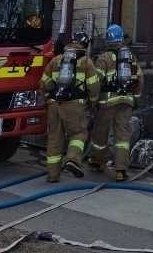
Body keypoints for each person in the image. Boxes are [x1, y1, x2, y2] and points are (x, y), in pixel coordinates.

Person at [39, 32, 99, 182]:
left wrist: (48, 96)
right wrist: (93, 102)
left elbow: (44, 82)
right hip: (74, 105)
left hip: (54, 104)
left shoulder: (56, 60)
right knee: (79, 133)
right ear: (85, 45)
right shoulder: (86, 62)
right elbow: (93, 86)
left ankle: (52, 175)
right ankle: (72, 160)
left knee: (54, 138)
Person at [86, 24, 142, 181]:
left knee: (100, 133)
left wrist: (93, 100)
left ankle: (98, 162)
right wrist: (136, 99)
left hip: (107, 102)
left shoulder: (104, 58)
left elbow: (96, 81)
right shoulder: (130, 57)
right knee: (123, 135)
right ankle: (121, 169)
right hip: (126, 101)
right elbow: (139, 79)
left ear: (108, 39)